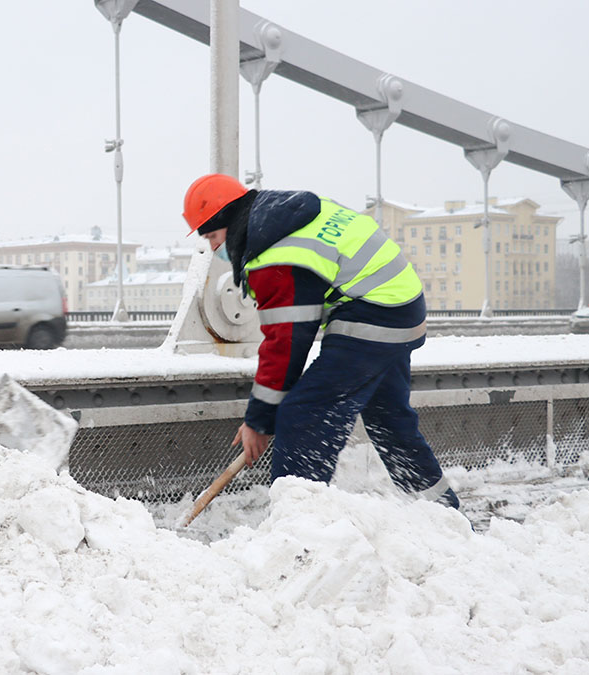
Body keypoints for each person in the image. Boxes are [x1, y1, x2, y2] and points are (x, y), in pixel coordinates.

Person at [181, 174, 459, 509]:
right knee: (389, 419)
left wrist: (259, 420)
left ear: (228, 218)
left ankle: (298, 527)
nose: (212, 247)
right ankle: (444, 514)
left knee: (304, 416)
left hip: (373, 314)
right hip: (401, 305)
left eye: (212, 235)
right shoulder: (289, 215)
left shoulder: (273, 254)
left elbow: (285, 347)